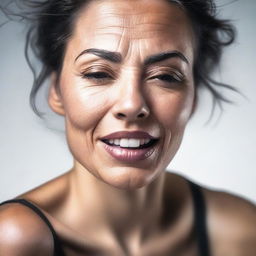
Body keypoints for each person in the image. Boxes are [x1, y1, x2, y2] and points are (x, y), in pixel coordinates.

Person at [0, 0, 255, 255]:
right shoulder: (15, 238)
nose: (132, 104)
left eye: (165, 76)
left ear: (192, 99)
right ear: (56, 91)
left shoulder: (238, 230)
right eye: (98, 73)